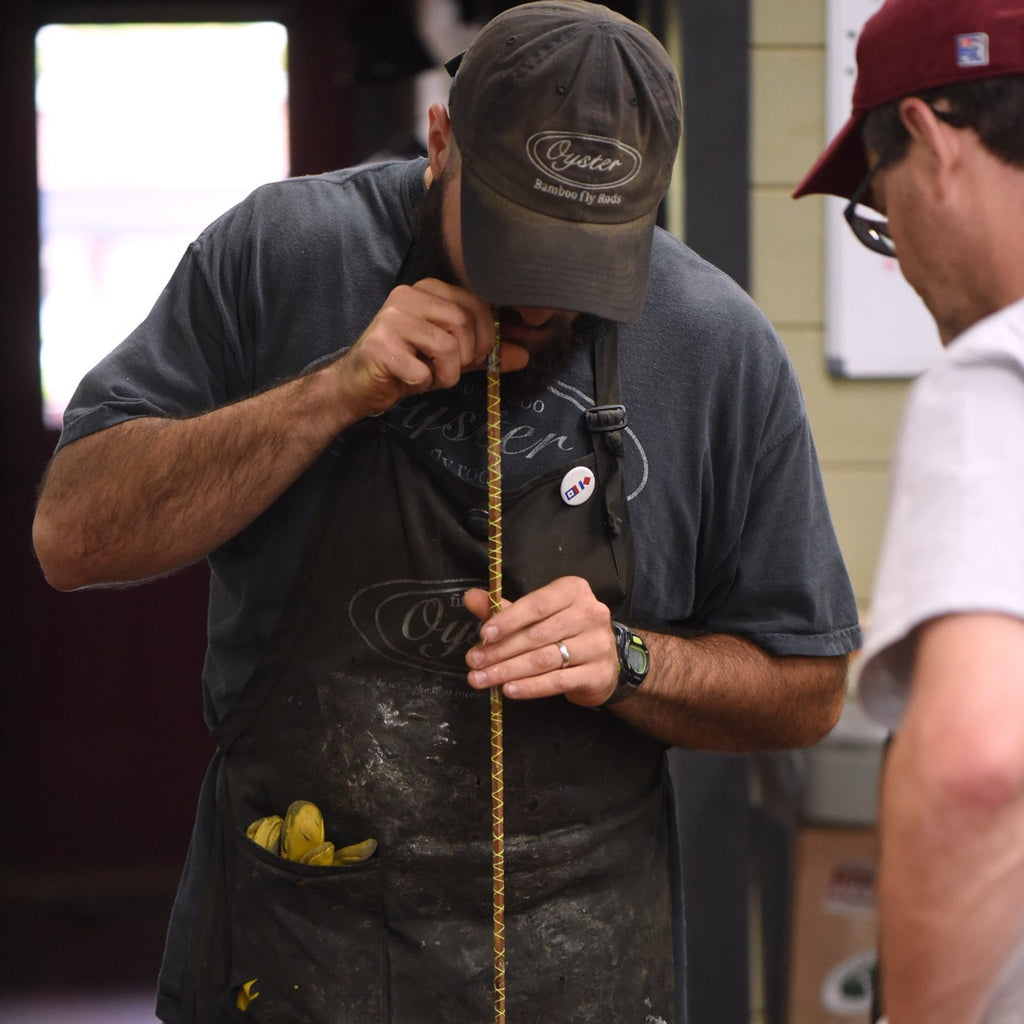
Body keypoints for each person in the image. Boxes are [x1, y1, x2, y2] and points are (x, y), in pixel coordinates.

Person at [33, 2, 860, 1021]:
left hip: (585, 966)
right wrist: (330, 392)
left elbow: (808, 688)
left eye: (584, 263)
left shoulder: (714, 346)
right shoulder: (282, 256)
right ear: (439, 146)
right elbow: (73, 538)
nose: (541, 308)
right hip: (291, 955)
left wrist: (634, 659)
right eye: (515, 248)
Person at [794, 1, 1024, 1021]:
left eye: (877, 208)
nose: (896, 259)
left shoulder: (995, 377)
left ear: (929, 140)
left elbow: (980, 761)